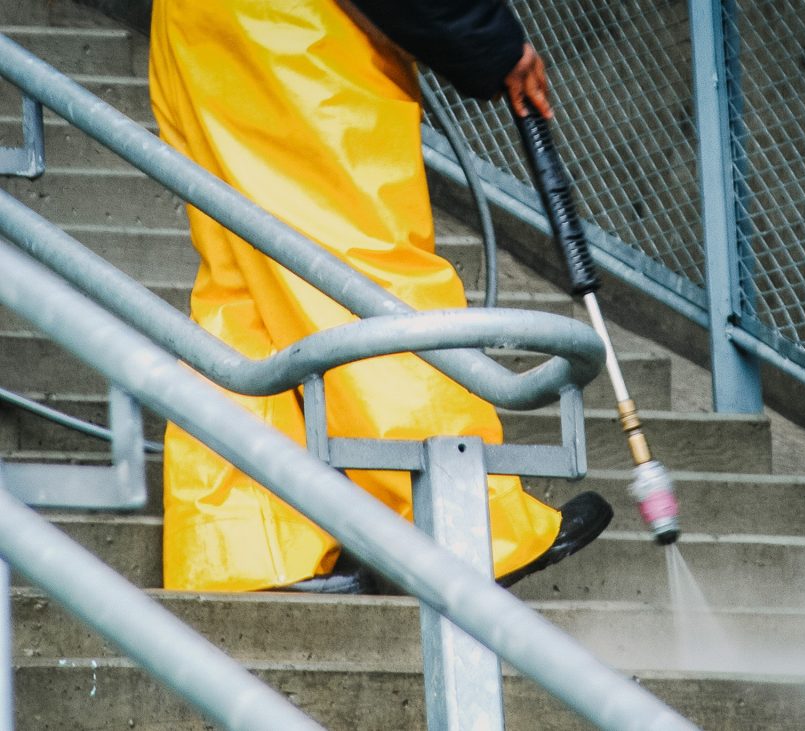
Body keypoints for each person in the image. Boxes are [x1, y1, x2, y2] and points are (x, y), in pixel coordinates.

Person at [149, 0, 612, 593]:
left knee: (247, 278)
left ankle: (244, 544)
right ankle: (464, 524)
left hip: (196, 24)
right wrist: (489, 40)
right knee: (361, 265)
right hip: (291, 31)